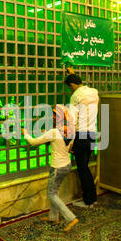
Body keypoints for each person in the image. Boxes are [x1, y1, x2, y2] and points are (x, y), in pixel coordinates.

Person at [23, 105, 79, 231]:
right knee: (55, 191)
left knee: (51, 194)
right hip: (66, 165)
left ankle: (71, 218)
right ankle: (54, 217)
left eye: (55, 115)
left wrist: (26, 134)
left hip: (57, 167)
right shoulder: (70, 131)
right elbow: (69, 148)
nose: (52, 117)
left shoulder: (54, 132)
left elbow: (33, 142)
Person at [64, 67, 99, 209]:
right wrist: (72, 75)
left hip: (80, 135)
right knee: (85, 167)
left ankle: (89, 201)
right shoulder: (94, 92)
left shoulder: (74, 97)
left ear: (71, 86)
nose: (69, 91)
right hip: (92, 134)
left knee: (82, 168)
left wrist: (70, 142)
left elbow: (71, 120)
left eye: (69, 88)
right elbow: (81, 90)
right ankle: (92, 198)